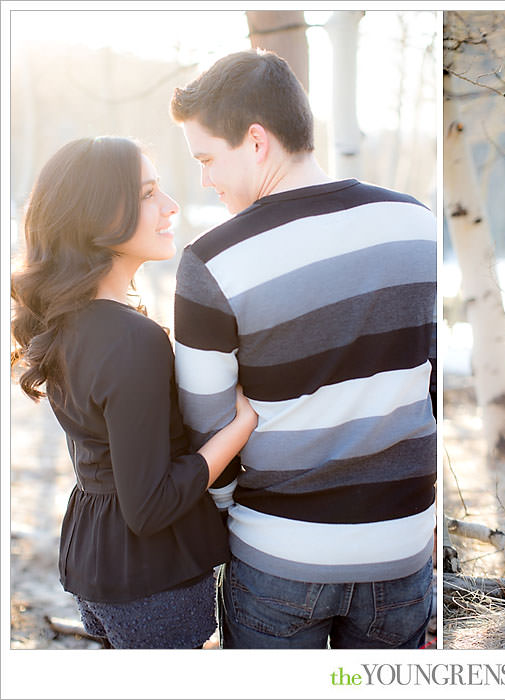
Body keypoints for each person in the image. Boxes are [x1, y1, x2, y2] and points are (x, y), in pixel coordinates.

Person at [168, 49, 437, 649]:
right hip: (404, 546)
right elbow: (432, 383)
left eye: (208, 158)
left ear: (257, 141)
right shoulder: (416, 223)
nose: (205, 180)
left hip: (280, 555)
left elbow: (209, 433)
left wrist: (219, 520)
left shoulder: (213, 262)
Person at [10, 136, 259, 649]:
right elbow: (149, 505)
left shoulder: (65, 324)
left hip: (96, 563)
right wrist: (240, 428)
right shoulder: (130, 339)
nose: (169, 206)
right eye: (148, 194)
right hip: (150, 577)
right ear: (99, 218)